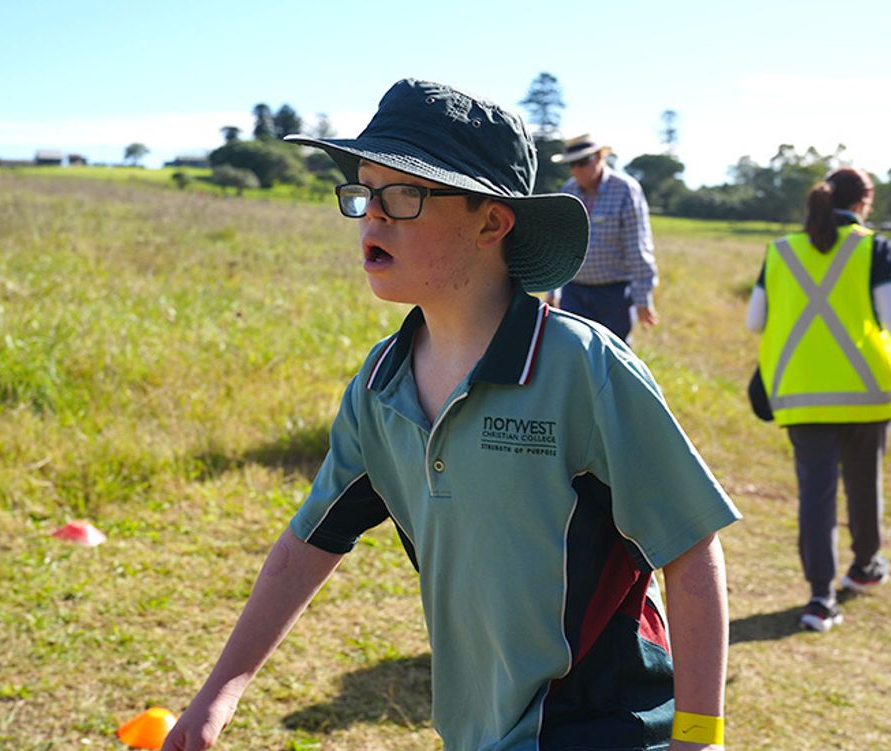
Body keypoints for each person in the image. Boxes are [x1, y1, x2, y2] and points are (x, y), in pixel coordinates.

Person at [163, 79, 740, 751]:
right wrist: (219, 692)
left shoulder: (583, 367)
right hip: (476, 731)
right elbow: (307, 545)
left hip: (605, 724)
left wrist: (700, 736)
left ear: (491, 223)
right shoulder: (379, 386)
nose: (373, 219)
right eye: (364, 194)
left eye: (404, 196)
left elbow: (690, 545)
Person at [747, 167, 891, 633]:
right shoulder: (874, 248)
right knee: (864, 482)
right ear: (864, 201)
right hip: (867, 391)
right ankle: (865, 567)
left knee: (816, 494)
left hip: (801, 394)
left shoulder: (781, 250)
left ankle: (819, 599)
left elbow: (754, 321)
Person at [547, 134, 659, 342]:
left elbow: (637, 246)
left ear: (599, 157)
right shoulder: (568, 190)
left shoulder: (625, 189)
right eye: (572, 164)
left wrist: (643, 300)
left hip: (615, 293)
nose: (576, 170)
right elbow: (561, 245)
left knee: (613, 351)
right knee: (574, 350)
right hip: (574, 291)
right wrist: (554, 290)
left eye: (582, 162)